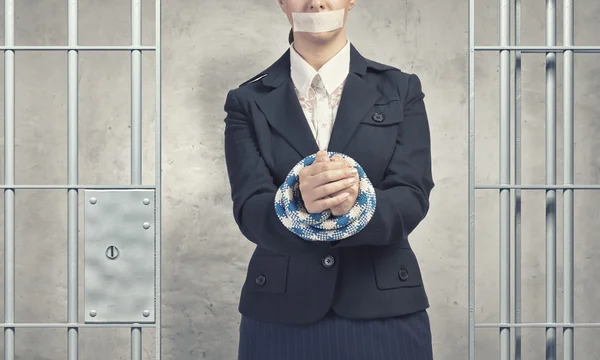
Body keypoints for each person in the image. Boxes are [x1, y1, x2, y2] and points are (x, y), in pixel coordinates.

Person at [223, 0, 435, 359]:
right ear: (282, 3)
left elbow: (412, 195)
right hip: (281, 314)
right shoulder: (247, 100)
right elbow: (249, 208)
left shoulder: (401, 89)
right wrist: (295, 202)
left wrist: (358, 203)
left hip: (384, 308)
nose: (316, 2)